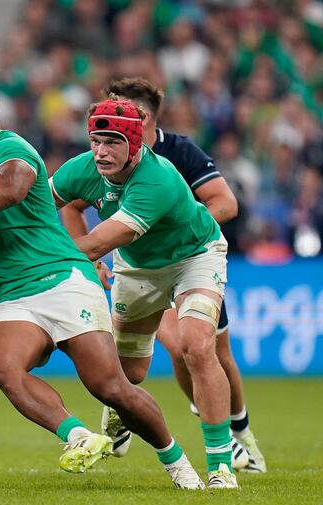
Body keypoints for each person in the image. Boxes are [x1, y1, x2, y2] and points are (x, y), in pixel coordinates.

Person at [0, 84, 205, 489]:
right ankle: (78, 435)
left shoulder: (8, 147)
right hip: (14, 294)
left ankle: (177, 463)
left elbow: (12, 189)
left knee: (110, 387)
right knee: (0, 366)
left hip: (63, 279)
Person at [59, 77, 266, 473]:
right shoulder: (88, 165)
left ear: (141, 124)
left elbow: (226, 203)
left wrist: (180, 218)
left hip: (195, 258)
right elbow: (54, 205)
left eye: (114, 136)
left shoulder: (169, 164)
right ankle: (122, 405)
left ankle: (229, 454)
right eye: (96, 138)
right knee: (131, 369)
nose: (102, 147)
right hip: (138, 266)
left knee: (198, 346)